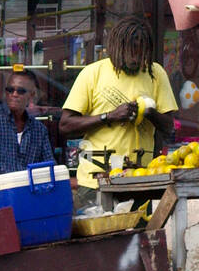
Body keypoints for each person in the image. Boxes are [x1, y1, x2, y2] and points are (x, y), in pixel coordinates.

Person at [59, 17, 178, 208]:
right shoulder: (93, 73)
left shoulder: (155, 73)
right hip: (96, 180)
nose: (135, 57)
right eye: (130, 49)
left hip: (141, 179)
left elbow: (169, 127)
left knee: (140, 236)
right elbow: (65, 125)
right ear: (116, 47)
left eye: (141, 50)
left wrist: (150, 113)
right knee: (100, 236)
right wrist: (110, 116)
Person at [0, 67, 55, 177]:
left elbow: (48, 166)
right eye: (10, 90)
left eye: (20, 91)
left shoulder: (39, 129)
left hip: (27, 190)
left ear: (31, 95)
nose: (14, 94)